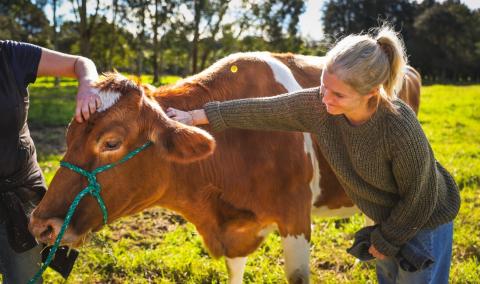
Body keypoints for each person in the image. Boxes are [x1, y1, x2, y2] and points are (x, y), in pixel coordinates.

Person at [166, 26, 460, 284]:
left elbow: (421, 197)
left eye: (338, 95)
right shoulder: (321, 106)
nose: (325, 98)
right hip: (385, 219)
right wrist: (196, 116)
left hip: (424, 223)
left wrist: (388, 239)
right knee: (388, 278)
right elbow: (265, 110)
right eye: (323, 86)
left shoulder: (399, 127)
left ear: (370, 94)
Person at [0, 40, 99, 283]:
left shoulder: (10, 55)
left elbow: (80, 63)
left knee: (24, 277)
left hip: (18, 196)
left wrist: (88, 85)